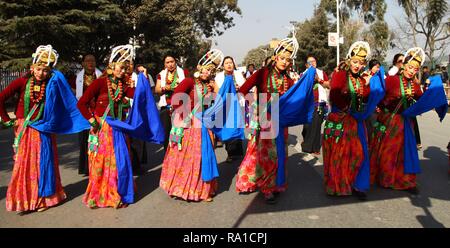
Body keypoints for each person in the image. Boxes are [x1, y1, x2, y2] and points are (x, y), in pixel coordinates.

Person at [0, 45, 90, 213]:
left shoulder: (52, 83)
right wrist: (7, 121)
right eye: (39, 69)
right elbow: (1, 98)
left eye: (46, 70)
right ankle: (26, 199)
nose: (41, 73)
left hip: (45, 129)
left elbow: (66, 100)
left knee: (44, 163)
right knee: (25, 165)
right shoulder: (23, 81)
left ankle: (44, 199)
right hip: (25, 129)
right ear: (32, 67)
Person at [370, 47, 447, 195]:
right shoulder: (391, 81)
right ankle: (386, 179)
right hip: (390, 122)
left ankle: (407, 181)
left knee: (406, 152)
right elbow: (378, 95)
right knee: (389, 152)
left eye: (415, 69)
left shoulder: (415, 85)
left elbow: (422, 99)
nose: (412, 71)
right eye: (410, 67)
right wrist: (381, 107)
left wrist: (434, 90)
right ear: (404, 65)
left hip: (406, 123)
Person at [235, 36, 300, 204]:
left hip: (281, 120)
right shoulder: (262, 73)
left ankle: (276, 183)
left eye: (288, 59)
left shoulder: (288, 79)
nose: (285, 62)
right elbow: (243, 90)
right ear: (275, 57)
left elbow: (294, 98)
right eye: (282, 58)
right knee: (267, 155)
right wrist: (254, 108)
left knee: (279, 154)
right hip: (264, 119)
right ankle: (267, 187)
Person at [322, 41, 384, 200]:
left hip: (356, 121)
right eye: (355, 62)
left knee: (359, 152)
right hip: (265, 104)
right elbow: (335, 95)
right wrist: (254, 109)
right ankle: (266, 184)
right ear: (349, 60)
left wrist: (370, 86)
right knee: (340, 155)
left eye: (361, 63)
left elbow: (364, 96)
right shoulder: (340, 74)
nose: (357, 65)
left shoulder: (360, 79)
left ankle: (358, 185)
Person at [159, 49, 223, 202]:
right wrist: (185, 115)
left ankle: (202, 189)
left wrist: (215, 88)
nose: (206, 72)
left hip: (204, 125)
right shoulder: (189, 81)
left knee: (203, 156)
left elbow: (220, 102)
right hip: (188, 124)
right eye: (205, 69)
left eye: (210, 70)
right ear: (199, 68)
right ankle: (180, 187)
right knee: (185, 157)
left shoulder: (210, 85)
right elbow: (175, 98)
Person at [77, 45, 136, 209]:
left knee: (120, 161)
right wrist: (91, 120)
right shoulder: (100, 82)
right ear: (112, 66)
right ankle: (102, 194)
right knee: (101, 163)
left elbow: (137, 94)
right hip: (102, 129)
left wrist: (143, 80)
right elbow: (81, 104)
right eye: (121, 68)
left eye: (126, 68)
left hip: (119, 129)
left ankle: (117, 192)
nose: (123, 71)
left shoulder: (123, 85)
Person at [71, 54, 102, 176]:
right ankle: (86, 167)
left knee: (98, 138)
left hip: (98, 110)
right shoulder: (78, 78)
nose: (90, 63)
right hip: (84, 111)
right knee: (84, 139)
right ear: (83, 63)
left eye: (92, 61)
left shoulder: (100, 76)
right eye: (87, 60)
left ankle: (98, 164)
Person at [214, 56, 246, 162]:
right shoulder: (219, 77)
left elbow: (246, 86)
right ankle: (230, 152)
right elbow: (217, 91)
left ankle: (239, 152)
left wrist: (238, 88)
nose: (229, 65)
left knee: (237, 127)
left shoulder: (238, 75)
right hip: (225, 106)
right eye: (226, 63)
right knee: (228, 128)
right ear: (223, 66)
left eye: (230, 62)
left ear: (234, 64)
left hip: (238, 104)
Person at [155, 55, 188, 150]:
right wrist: (164, 88)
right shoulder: (161, 74)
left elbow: (189, 87)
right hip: (166, 107)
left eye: (172, 61)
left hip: (180, 107)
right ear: (164, 64)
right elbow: (157, 90)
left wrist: (177, 88)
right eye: (167, 62)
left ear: (175, 62)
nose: (170, 64)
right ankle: (168, 155)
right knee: (166, 132)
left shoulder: (183, 72)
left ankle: (176, 155)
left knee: (177, 132)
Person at [301, 55, 330, 156]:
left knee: (317, 126)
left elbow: (329, 85)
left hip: (320, 103)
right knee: (307, 126)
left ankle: (315, 148)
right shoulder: (303, 75)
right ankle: (306, 144)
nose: (312, 63)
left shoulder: (321, 73)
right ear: (306, 65)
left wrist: (319, 80)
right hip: (307, 104)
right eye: (309, 62)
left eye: (314, 61)